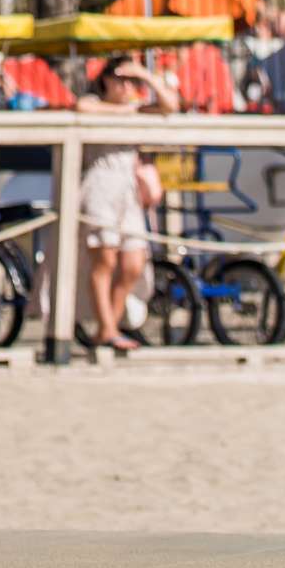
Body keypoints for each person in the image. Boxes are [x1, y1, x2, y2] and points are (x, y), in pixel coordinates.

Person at [76, 57, 178, 351]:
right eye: (121, 79)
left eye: (131, 82)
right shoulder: (95, 102)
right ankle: (107, 329)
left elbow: (170, 105)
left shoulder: (135, 107)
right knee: (104, 259)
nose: (126, 86)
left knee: (133, 262)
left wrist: (145, 75)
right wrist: (125, 109)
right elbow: (82, 107)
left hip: (127, 187)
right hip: (99, 183)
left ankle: (110, 325)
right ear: (106, 78)